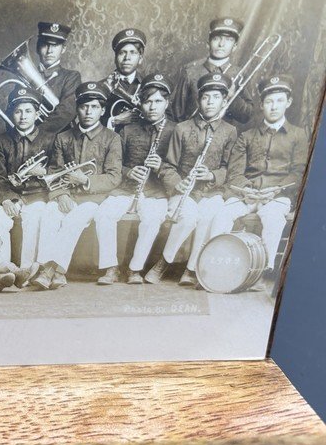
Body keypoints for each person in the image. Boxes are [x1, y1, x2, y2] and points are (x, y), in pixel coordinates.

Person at [207, 75, 307, 273]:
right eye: (269, 101)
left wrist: (275, 190)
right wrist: (246, 190)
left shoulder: (298, 135)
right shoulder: (247, 136)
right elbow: (235, 173)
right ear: (261, 105)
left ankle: (263, 270)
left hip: (277, 196)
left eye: (279, 101)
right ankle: (213, 265)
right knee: (221, 214)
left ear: (288, 102)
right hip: (246, 195)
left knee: (273, 218)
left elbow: (298, 173)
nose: (274, 106)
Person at [149, 73, 238, 286]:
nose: (210, 102)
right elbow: (168, 166)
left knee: (208, 217)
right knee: (188, 217)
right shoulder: (182, 128)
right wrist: (177, 182)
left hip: (211, 191)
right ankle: (164, 261)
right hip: (183, 191)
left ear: (224, 101)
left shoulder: (230, 131)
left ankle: (191, 269)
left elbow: (229, 168)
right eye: (205, 97)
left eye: (215, 97)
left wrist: (212, 175)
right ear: (199, 100)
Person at [31, 82, 123, 289]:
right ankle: (54, 272)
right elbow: (54, 171)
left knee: (74, 220)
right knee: (49, 214)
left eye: (94, 107)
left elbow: (114, 177)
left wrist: (86, 180)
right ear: (77, 109)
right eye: (84, 107)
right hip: (67, 196)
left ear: (103, 110)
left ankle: (51, 270)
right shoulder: (63, 138)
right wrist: (61, 194)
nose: (88, 112)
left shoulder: (112, 138)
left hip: (94, 199)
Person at [93, 74, 176, 284]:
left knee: (152, 220)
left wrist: (161, 167)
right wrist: (128, 171)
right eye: (148, 101)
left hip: (156, 191)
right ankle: (111, 267)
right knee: (104, 214)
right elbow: (112, 164)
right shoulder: (127, 130)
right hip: (126, 188)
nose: (152, 107)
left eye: (158, 101)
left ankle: (134, 269)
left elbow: (180, 168)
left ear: (167, 103)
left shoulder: (176, 131)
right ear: (141, 102)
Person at [0, 86, 55, 274]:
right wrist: (7, 198)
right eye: (18, 111)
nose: (23, 116)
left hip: (37, 195)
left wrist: (42, 171)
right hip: (10, 194)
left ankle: (27, 269)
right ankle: (4, 268)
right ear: (11, 114)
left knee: (33, 220)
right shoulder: (0, 141)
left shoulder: (49, 139)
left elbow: (57, 170)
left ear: (37, 114)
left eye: (28, 111)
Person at [171, 17, 254, 127]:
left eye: (228, 40)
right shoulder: (190, 71)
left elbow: (246, 116)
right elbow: (175, 112)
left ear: (234, 47)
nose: (221, 44)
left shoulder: (239, 74)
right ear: (208, 43)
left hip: (222, 140)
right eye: (216, 39)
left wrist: (233, 97)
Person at [32, 21, 80, 135]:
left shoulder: (71, 77)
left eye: (55, 45)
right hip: (24, 141)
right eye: (45, 44)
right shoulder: (25, 75)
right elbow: (13, 110)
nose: (49, 50)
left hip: (58, 140)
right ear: (38, 47)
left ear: (63, 49)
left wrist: (34, 134)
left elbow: (66, 112)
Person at [100, 28, 146, 131]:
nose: (127, 58)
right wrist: (114, 120)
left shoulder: (148, 86)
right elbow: (89, 124)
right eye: (122, 53)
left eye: (133, 52)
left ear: (140, 58)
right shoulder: (102, 86)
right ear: (115, 58)